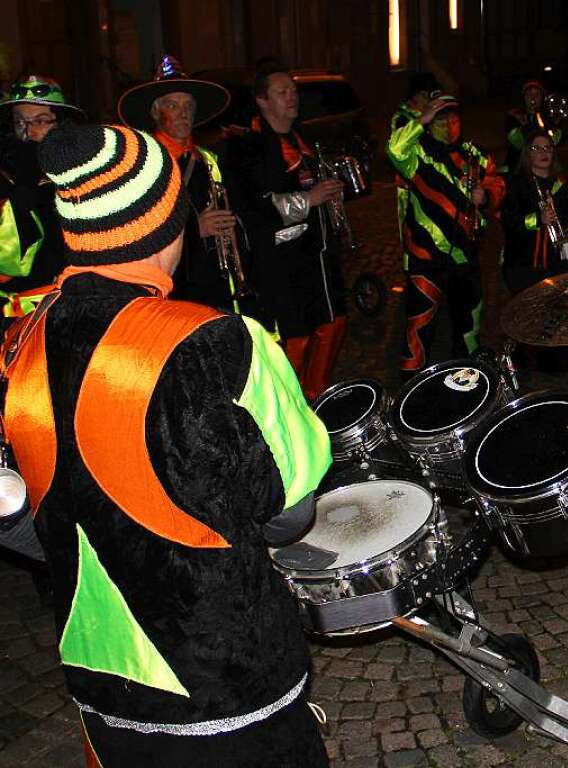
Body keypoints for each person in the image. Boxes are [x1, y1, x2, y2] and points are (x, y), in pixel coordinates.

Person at [0, 121, 331, 766]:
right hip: (227, 681)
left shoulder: (20, 345)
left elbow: (23, 517)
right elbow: (291, 515)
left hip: (102, 679)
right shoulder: (223, 344)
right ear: (166, 222)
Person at [224, 59, 348, 400]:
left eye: (293, 91)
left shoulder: (301, 137)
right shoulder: (245, 146)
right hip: (281, 263)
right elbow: (251, 206)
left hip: (318, 256)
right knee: (297, 337)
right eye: (282, 92)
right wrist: (308, 200)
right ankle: (289, 406)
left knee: (332, 323)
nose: (292, 98)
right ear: (263, 100)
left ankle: (315, 398)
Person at [387, 93, 505, 376]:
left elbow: (497, 181)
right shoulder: (418, 153)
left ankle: (466, 383)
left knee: (468, 328)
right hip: (426, 257)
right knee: (419, 329)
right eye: (441, 118)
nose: (449, 124)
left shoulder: (472, 153)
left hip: (465, 255)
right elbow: (395, 149)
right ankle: (412, 388)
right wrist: (420, 120)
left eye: (453, 116)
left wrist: (486, 196)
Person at [117, 55, 246, 313]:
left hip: (216, 284)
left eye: (188, 105)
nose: (183, 113)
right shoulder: (143, 164)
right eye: (173, 105)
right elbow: (139, 234)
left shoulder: (208, 159)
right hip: (175, 292)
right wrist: (194, 229)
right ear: (156, 112)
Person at [0, 76, 84, 319]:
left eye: (40, 121)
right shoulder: (6, 178)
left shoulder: (80, 173)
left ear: (60, 123)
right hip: (14, 314)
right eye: (19, 122)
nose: (28, 132)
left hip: (69, 308)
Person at [501, 129, 568, 294]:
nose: (543, 152)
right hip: (524, 266)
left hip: (559, 264)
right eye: (536, 148)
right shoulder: (516, 185)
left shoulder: (565, 185)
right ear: (527, 153)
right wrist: (538, 219)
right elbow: (509, 222)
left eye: (548, 148)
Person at [390, 72, 440, 239]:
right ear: (414, 96)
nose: (427, 100)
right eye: (423, 95)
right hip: (411, 183)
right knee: (415, 231)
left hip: (432, 178)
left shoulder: (432, 114)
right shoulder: (402, 118)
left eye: (429, 95)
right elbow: (399, 148)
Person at [503, 79, 563, 175]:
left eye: (537, 95)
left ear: (542, 98)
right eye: (529, 95)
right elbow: (517, 142)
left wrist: (553, 125)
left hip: (543, 166)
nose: (533, 98)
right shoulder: (514, 116)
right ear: (523, 98)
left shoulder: (548, 117)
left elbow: (555, 140)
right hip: (518, 166)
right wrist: (530, 122)